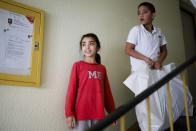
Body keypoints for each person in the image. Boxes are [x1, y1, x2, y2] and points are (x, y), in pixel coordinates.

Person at [124, 2, 193, 131]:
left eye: (145, 11)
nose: (141, 15)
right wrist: (146, 59)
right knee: (145, 105)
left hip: (156, 70)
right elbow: (128, 50)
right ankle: (147, 128)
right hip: (141, 73)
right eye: (139, 13)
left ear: (153, 15)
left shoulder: (159, 32)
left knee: (163, 99)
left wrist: (159, 61)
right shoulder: (136, 30)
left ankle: (166, 124)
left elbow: (164, 51)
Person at [65, 33, 117, 131]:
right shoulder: (77, 66)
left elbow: (107, 93)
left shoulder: (102, 68)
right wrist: (69, 113)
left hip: (99, 116)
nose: (87, 47)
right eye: (84, 44)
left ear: (98, 47)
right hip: (80, 116)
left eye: (91, 43)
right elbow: (71, 91)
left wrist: (112, 113)